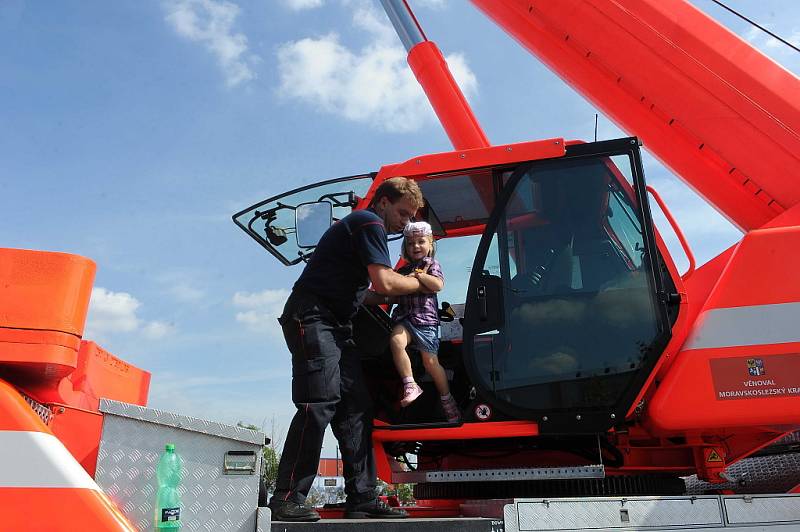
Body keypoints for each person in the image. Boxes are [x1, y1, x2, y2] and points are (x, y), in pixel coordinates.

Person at [268, 177, 426, 522]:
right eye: (402, 213)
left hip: (335, 324)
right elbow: (384, 281)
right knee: (319, 403)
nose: (405, 222)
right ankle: (287, 498)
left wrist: (390, 295)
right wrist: (422, 282)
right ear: (383, 202)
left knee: (356, 406)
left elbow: (367, 292)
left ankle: (363, 497)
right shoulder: (368, 222)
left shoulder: (362, 229)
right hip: (311, 317)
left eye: (411, 216)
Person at [388, 221, 459, 423]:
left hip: (425, 321)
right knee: (396, 341)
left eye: (421, 242)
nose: (416, 246)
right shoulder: (402, 270)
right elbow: (393, 291)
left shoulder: (431, 265)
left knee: (430, 363)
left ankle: (447, 399)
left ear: (430, 245)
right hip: (405, 318)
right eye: (411, 243)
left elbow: (437, 285)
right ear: (406, 248)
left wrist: (419, 275)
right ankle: (410, 383)